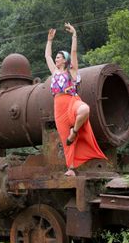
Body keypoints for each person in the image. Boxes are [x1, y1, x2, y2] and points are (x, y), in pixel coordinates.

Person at [45, 22, 107, 176]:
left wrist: (74, 34)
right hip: (58, 106)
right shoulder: (54, 72)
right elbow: (47, 55)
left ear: (64, 60)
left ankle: (75, 130)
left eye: (59, 57)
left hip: (71, 101)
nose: (56, 59)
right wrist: (50, 41)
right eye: (56, 57)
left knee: (85, 109)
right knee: (65, 140)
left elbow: (73, 51)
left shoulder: (71, 72)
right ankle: (71, 168)